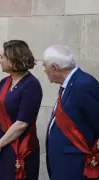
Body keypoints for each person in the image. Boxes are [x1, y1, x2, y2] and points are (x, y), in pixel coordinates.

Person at [0, 40, 42, 180]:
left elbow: (22, 123)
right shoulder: (4, 82)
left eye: (2, 57)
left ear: (13, 58)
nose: (0, 61)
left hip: (18, 149)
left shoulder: (31, 85)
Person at [44, 45, 99, 180]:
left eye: (45, 66)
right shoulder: (70, 84)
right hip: (64, 165)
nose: (44, 70)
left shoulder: (84, 84)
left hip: (76, 166)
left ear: (55, 68)